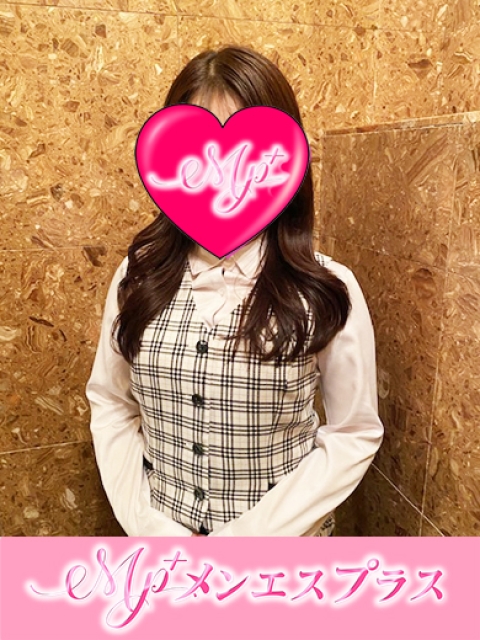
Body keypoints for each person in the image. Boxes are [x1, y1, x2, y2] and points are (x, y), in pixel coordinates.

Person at [85, 45, 384, 537]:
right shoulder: (136, 277)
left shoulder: (326, 288)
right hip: (164, 552)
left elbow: (353, 432)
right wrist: (146, 524)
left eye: (244, 151)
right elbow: (111, 401)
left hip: (283, 561)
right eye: (199, 150)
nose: (222, 170)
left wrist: (246, 542)